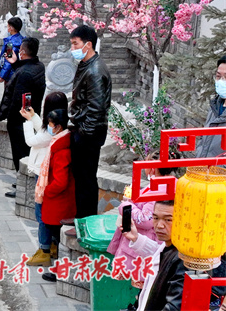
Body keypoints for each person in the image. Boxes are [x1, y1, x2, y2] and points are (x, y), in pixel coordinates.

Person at [107, 152, 174, 308]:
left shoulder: (159, 189)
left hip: (147, 246)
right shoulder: (169, 184)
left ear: (152, 168)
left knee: (146, 289)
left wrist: (126, 205)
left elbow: (145, 219)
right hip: (149, 244)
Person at [68, 24, 112, 219]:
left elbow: (96, 107)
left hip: (89, 133)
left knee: (86, 178)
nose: (73, 48)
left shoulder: (95, 70)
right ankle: (79, 217)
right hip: (84, 129)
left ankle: (85, 221)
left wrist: (83, 133)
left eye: (75, 44)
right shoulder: (86, 65)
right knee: (81, 176)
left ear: (88, 44)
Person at [23, 92, 69, 266]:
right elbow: (44, 129)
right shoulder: (60, 128)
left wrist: (28, 121)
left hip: (45, 180)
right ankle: (51, 246)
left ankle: (44, 248)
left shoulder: (57, 140)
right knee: (47, 215)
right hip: (46, 178)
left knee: (42, 215)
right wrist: (33, 116)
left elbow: (32, 140)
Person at [0, 37, 46, 197]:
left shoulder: (25, 74)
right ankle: (21, 180)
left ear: (23, 52)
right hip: (32, 116)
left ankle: (22, 186)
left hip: (20, 121)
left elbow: (18, 99)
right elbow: (25, 72)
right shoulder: (38, 66)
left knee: (21, 154)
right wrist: (15, 63)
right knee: (25, 152)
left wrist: (9, 117)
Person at [37, 109, 75, 282]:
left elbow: (60, 182)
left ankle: (59, 271)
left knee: (59, 237)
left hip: (58, 203)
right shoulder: (58, 143)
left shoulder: (61, 150)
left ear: (58, 127)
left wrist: (46, 190)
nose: (49, 127)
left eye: (51, 124)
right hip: (57, 202)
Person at [197, 54, 226, 158]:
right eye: (218, 76)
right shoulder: (215, 105)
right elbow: (204, 139)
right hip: (202, 169)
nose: (222, 81)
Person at [0, 17, 24, 83]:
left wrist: (2, 75)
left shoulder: (11, 43)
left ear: (11, 28)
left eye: (8, 26)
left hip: (10, 74)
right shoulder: (22, 39)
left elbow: (9, 59)